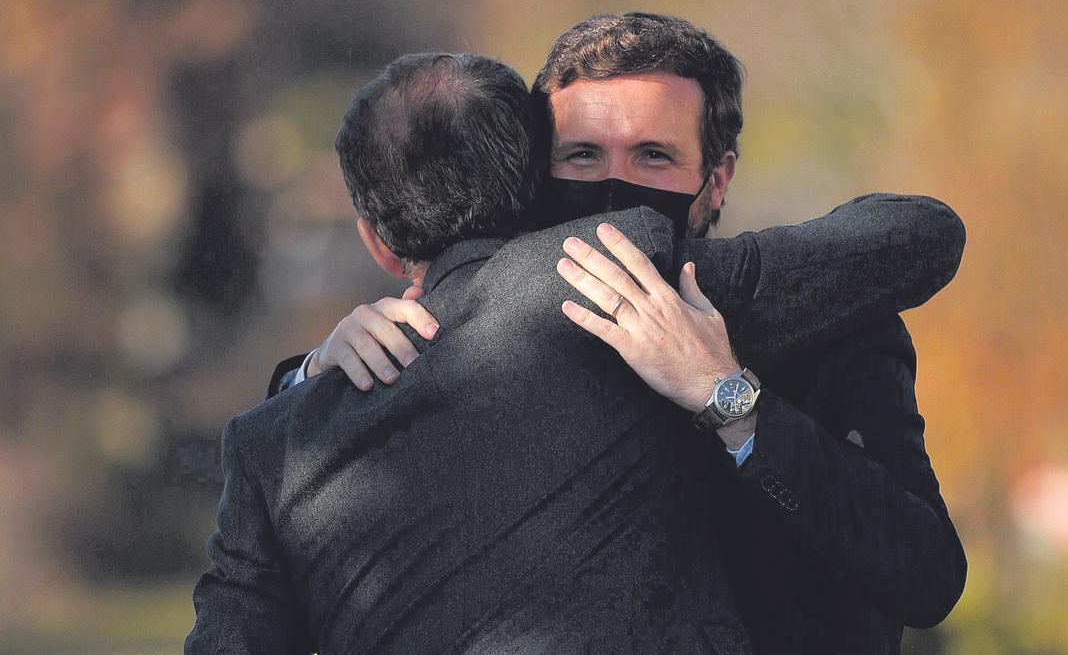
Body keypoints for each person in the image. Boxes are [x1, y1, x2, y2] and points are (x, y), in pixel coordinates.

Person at [187, 53, 963, 654]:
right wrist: (311, 378)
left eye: (653, 156)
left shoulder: (268, 447)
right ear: (535, 185)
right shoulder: (606, 270)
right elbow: (917, 237)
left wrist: (729, 396)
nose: (617, 189)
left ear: (376, 240)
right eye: (584, 156)